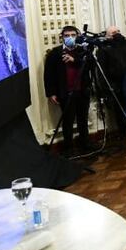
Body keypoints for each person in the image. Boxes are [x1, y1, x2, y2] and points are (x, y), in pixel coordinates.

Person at [43, 26, 91, 154]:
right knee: (68, 121)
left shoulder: (83, 51)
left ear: (77, 36)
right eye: (66, 35)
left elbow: (89, 66)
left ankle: (85, 145)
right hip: (65, 92)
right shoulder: (55, 53)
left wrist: (74, 60)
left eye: (73, 35)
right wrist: (51, 93)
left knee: (83, 119)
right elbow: (49, 75)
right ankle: (69, 148)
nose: (70, 38)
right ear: (62, 37)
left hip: (82, 91)